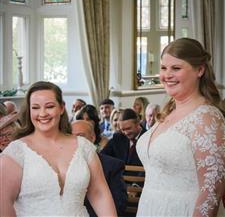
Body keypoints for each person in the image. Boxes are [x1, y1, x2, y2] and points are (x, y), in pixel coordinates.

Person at [136, 38, 225, 217]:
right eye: (163, 68)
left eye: (176, 68)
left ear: (200, 70)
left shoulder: (207, 118)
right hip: (150, 208)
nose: (167, 75)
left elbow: (211, 191)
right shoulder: (167, 113)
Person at [0, 81, 117, 217]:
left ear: (61, 108)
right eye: (36, 108)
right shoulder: (16, 152)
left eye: (49, 106)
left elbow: (99, 193)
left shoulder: (83, 147)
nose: (42, 113)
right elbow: (3, 204)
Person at [71, 120, 127, 217]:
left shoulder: (112, 166)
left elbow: (119, 204)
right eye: (71, 136)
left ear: (92, 138)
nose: (76, 140)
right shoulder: (61, 164)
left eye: (80, 136)